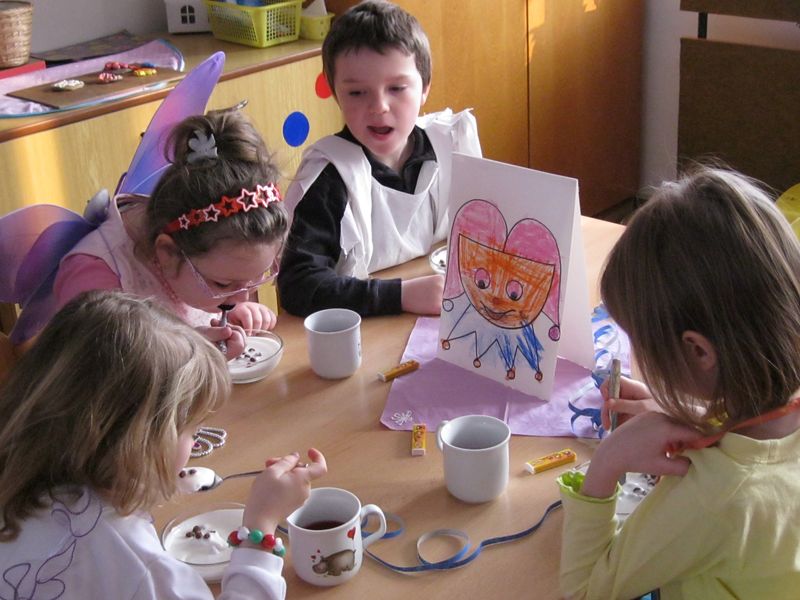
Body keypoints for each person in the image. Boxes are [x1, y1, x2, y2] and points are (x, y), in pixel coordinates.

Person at [557, 166, 800, 599]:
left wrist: (607, 463)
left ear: (699, 352)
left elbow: (584, 591)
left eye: (637, 338)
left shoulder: (716, 496)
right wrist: (704, 414)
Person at [0, 290, 327, 599]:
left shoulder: (20, 472)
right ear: (138, 442)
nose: (195, 442)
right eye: (191, 429)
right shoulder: (135, 562)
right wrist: (260, 529)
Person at [277, 0, 482, 318]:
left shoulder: (451, 144)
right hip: (365, 329)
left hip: (441, 314)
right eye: (357, 93)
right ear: (335, 94)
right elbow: (298, 285)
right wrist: (400, 295)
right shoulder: (329, 177)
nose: (379, 107)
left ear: (425, 88)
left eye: (397, 88)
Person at [53, 107, 288, 359]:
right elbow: (94, 377)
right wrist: (183, 355)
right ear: (167, 253)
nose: (241, 297)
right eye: (222, 285)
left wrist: (235, 315)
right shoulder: (96, 283)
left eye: (255, 279)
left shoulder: (213, 256)